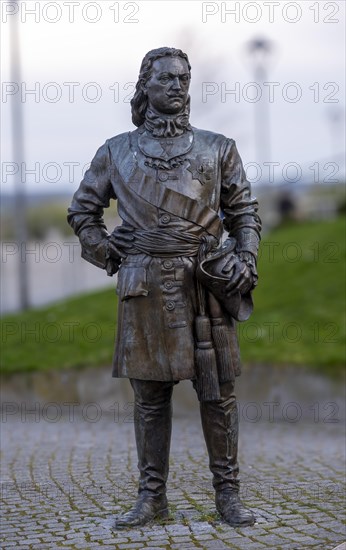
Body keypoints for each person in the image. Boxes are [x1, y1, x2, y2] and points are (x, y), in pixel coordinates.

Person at [67, 47, 261, 528]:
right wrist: (109, 251)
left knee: (218, 395)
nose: (177, 86)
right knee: (150, 400)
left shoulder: (219, 147)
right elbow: (82, 213)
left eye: (183, 78)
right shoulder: (116, 152)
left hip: (205, 284)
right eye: (167, 79)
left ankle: (228, 496)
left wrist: (245, 258)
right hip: (145, 286)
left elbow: (245, 215)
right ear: (145, 87)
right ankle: (151, 498)